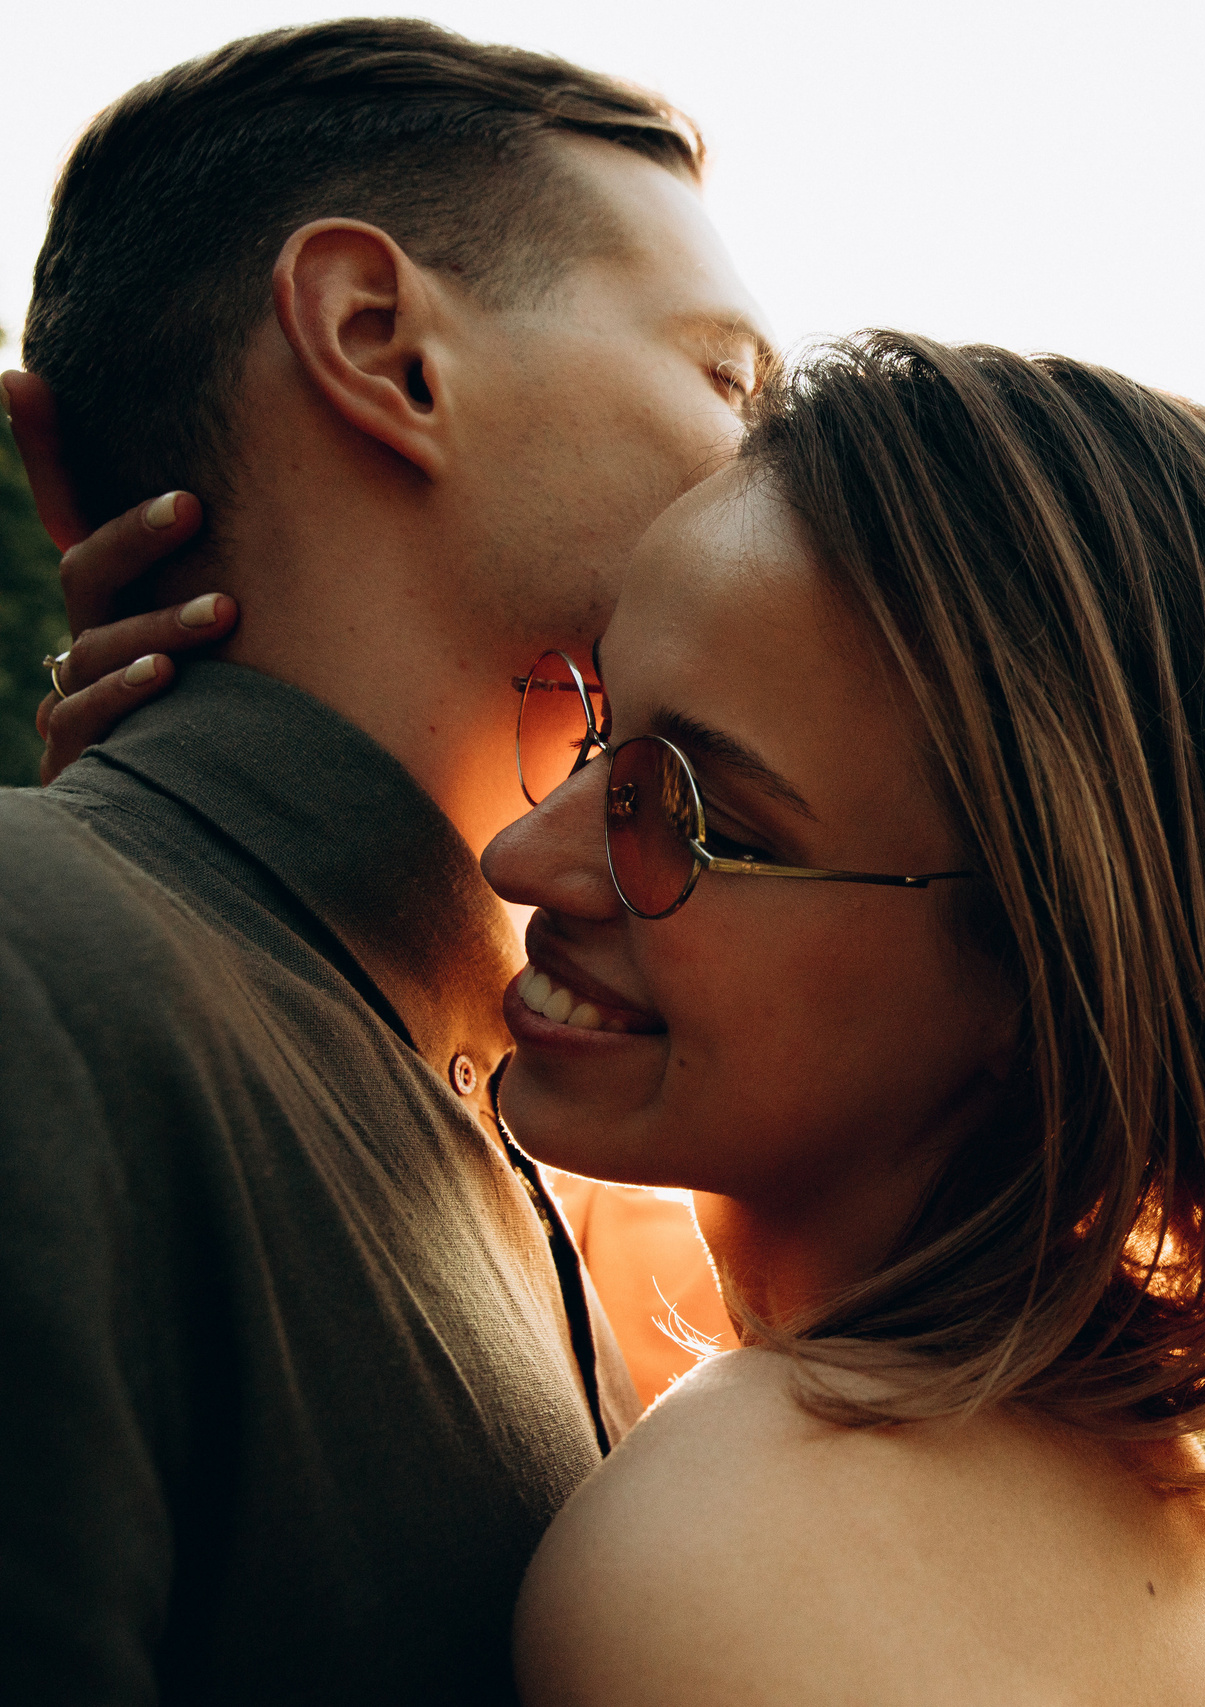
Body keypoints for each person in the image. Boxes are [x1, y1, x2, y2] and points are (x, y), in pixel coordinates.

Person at [63, 328, 1205, 1704]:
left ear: (1047, 976)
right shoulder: (1149, 1489)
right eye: (599, 730)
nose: (523, 854)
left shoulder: (736, 1555)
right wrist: (171, 845)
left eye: (692, 815)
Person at [0, 21, 761, 1702]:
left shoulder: (560, 1135)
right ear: (381, 345)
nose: (775, 473)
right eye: (727, 379)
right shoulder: (46, 987)